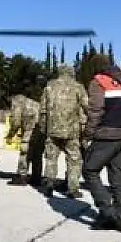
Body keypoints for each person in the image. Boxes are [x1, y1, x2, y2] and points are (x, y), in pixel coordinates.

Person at [81, 55, 121, 233]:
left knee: (89, 170)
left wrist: (87, 133)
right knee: (118, 177)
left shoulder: (98, 82)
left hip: (106, 135)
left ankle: (107, 212)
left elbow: (95, 111)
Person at [39, 65, 88, 198]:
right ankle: (72, 189)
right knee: (74, 159)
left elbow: (42, 110)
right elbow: (87, 106)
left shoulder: (49, 86)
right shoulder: (78, 87)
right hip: (72, 131)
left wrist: (44, 128)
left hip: (52, 130)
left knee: (51, 158)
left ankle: (49, 184)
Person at [5, 93, 43, 186]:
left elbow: (16, 122)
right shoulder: (35, 103)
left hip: (29, 132)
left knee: (25, 154)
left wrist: (10, 135)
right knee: (37, 155)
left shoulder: (17, 103)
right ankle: (36, 178)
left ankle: (21, 177)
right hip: (41, 133)